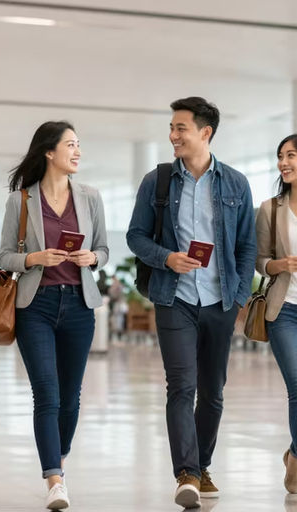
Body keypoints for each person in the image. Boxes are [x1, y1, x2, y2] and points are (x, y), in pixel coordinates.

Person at [126, 97, 256, 509]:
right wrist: (166, 257)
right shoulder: (158, 181)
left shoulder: (235, 183)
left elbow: (246, 245)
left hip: (220, 301)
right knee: (181, 386)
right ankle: (186, 472)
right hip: (174, 298)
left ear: (205, 132)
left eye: (180, 128)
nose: (172, 135)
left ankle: (201, 464)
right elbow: (135, 236)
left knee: (213, 392)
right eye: (171, 127)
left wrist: (237, 297)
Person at [0, 121, 108, 510]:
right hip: (36, 306)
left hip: (79, 304)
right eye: (71, 145)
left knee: (71, 398)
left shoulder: (91, 197)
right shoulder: (21, 201)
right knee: (46, 392)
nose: (77, 152)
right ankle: (55, 480)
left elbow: (104, 250)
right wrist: (34, 258)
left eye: (79, 145)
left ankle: (58, 455)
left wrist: (92, 257)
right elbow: (5, 256)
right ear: (49, 152)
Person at [256, 134, 297, 494]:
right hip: (284, 309)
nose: (283, 162)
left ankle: (295, 455)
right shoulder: (270, 208)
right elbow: (259, 260)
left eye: (291, 155)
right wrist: (278, 264)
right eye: (280, 156)